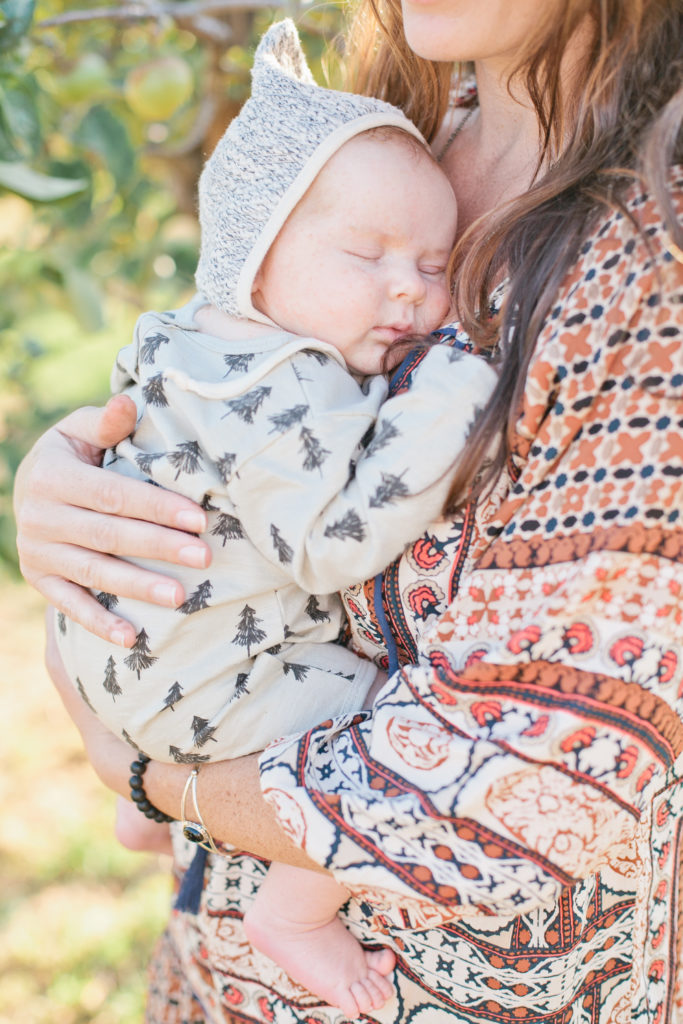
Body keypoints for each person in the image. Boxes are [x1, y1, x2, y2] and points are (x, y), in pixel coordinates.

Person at [13, 0, 683, 1021]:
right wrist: (75, 479)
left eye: (419, 272)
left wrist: (155, 783)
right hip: (219, 972)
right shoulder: (382, 134)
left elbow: (505, 793)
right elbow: (236, 377)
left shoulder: (649, 262)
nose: (401, 289)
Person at [54, 19, 496, 1019]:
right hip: (203, 684)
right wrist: (457, 380)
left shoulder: (191, 343)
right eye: (365, 253)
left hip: (109, 651)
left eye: (432, 265)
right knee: (372, 723)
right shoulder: (282, 386)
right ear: (256, 256)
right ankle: (294, 912)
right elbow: (337, 535)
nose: (408, 287)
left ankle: (146, 820)